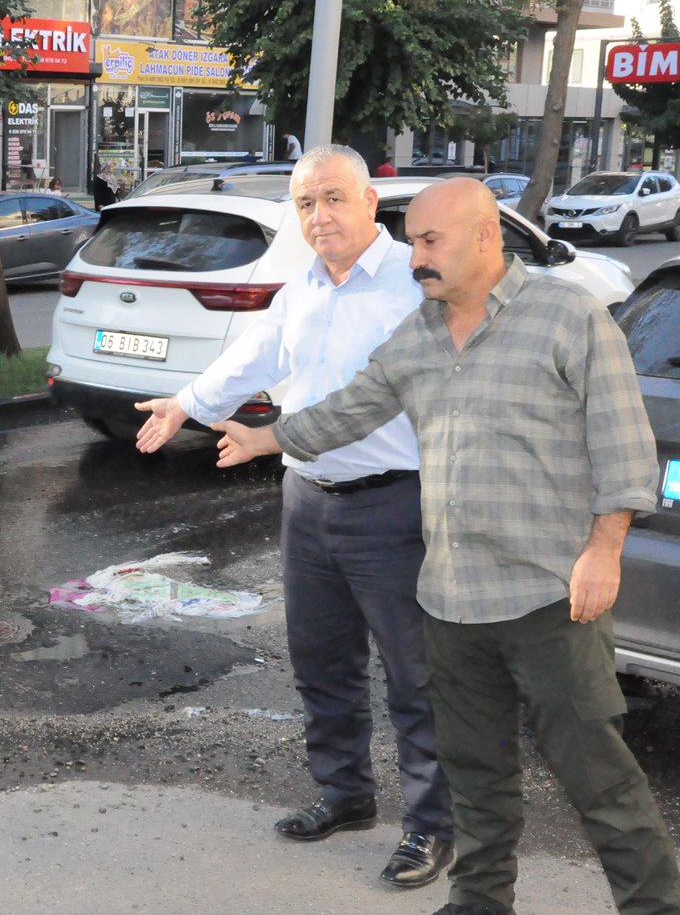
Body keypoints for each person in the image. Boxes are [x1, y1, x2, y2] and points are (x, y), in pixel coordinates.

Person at [212, 177, 680, 915]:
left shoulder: (568, 315)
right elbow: (351, 408)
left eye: (431, 242)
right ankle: (479, 900)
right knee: (475, 776)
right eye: (414, 243)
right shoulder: (421, 334)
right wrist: (265, 437)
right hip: (452, 600)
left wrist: (604, 550)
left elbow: (625, 446)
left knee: (599, 778)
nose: (416, 258)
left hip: (550, 596)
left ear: (485, 237)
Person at [134, 145, 453, 889]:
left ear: (371, 203)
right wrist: (187, 403)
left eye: (334, 199)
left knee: (416, 677)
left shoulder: (414, 285)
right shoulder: (301, 288)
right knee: (321, 664)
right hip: (307, 501)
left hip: (394, 504)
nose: (320, 216)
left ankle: (432, 827)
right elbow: (252, 358)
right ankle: (345, 797)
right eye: (306, 203)